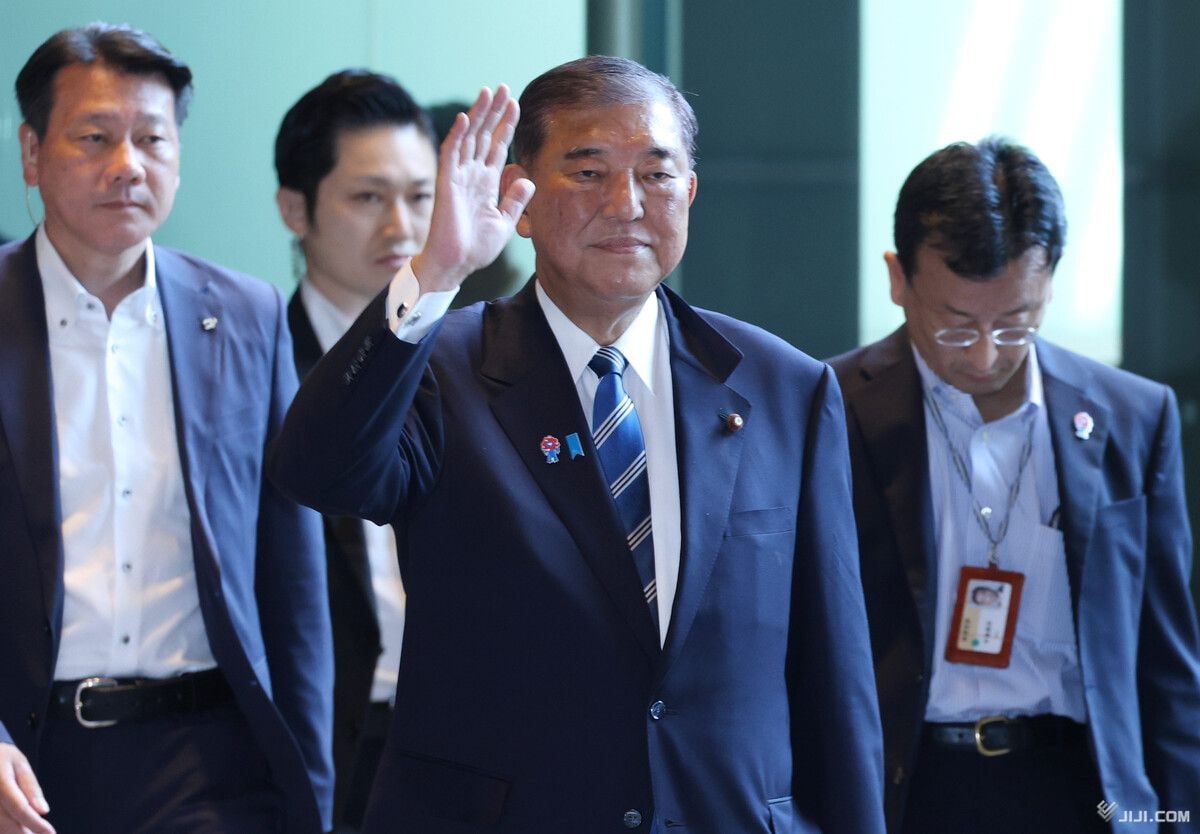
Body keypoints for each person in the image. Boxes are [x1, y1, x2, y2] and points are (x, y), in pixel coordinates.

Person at [268, 55, 884, 833]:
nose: (626, 204)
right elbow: (317, 471)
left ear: (690, 193)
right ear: (519, 197)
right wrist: (435, 270)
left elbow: (836, 679)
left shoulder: (784, 388)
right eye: (588, 173)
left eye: (656, 175)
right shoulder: (442, 373)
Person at [0, 23, 333, 834]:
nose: (128, 165)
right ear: (32, 153)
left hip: (209, 762)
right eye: (95, 137)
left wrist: (311, 793)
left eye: (152, 139)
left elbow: (291, 576)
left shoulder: (246, 315)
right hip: (26, 758)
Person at [829, 137, 1200, 834]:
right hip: (898, 792)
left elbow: (1167, 666)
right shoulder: (826, 410)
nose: (984, 355)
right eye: (955, 327)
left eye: (1014, 325)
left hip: (1083, 792)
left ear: (1049, 281)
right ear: (898, 279)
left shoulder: (1133, 418)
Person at [273, 68, 436, 832]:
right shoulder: (256, 364)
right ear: (295, 209)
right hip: (321, 734)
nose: (402, 228)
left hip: (456, 736)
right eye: (369, 198)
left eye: (421, 197)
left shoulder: (476, 357)